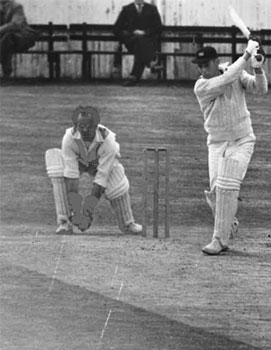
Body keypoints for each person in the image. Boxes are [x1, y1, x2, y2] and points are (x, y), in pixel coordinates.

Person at [192, 40, 268, 255]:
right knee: (215, 193)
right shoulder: (201, 86)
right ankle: (228, 223)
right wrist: (246, 55)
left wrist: (257, 66)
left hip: (242, 140)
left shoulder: (233, 70)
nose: (203, 69)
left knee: (227, 186)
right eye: (200, 66)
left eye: (206, 64)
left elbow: (260, 89)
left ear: (217, 61)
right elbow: (226, 79)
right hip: (216, 143)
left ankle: (219, 239)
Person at [45, 106, 143, 235]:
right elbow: (71, 175)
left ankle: (128, 224)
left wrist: (88, 210)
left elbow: (102, 177)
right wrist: (76, 210)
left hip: (100, 165)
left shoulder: (108, 142)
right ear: (76, 126)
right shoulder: (69, 138)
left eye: (89, 126)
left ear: (96, 126)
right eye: (81, 126)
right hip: (79, 162)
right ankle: (65, 223)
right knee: (56, 162)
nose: (85, 130)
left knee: (116, 182)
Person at [113, 0, 162, 86]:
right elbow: (117, 28)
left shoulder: (152, 9)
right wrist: (131, 34)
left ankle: (133, 78)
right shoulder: (127, 9)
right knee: (139, 42)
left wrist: (144, 33)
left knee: (141, 46)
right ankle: (150, 62)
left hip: (148, 42)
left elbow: (158, 28)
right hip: (132, 41)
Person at [0, 0, 38, 79]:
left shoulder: (16, 6)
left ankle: (7, 72)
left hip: (22, 37)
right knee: (6, 40)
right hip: (7, 39)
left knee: (7, 38)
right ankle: (6, 72)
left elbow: (16, 24)